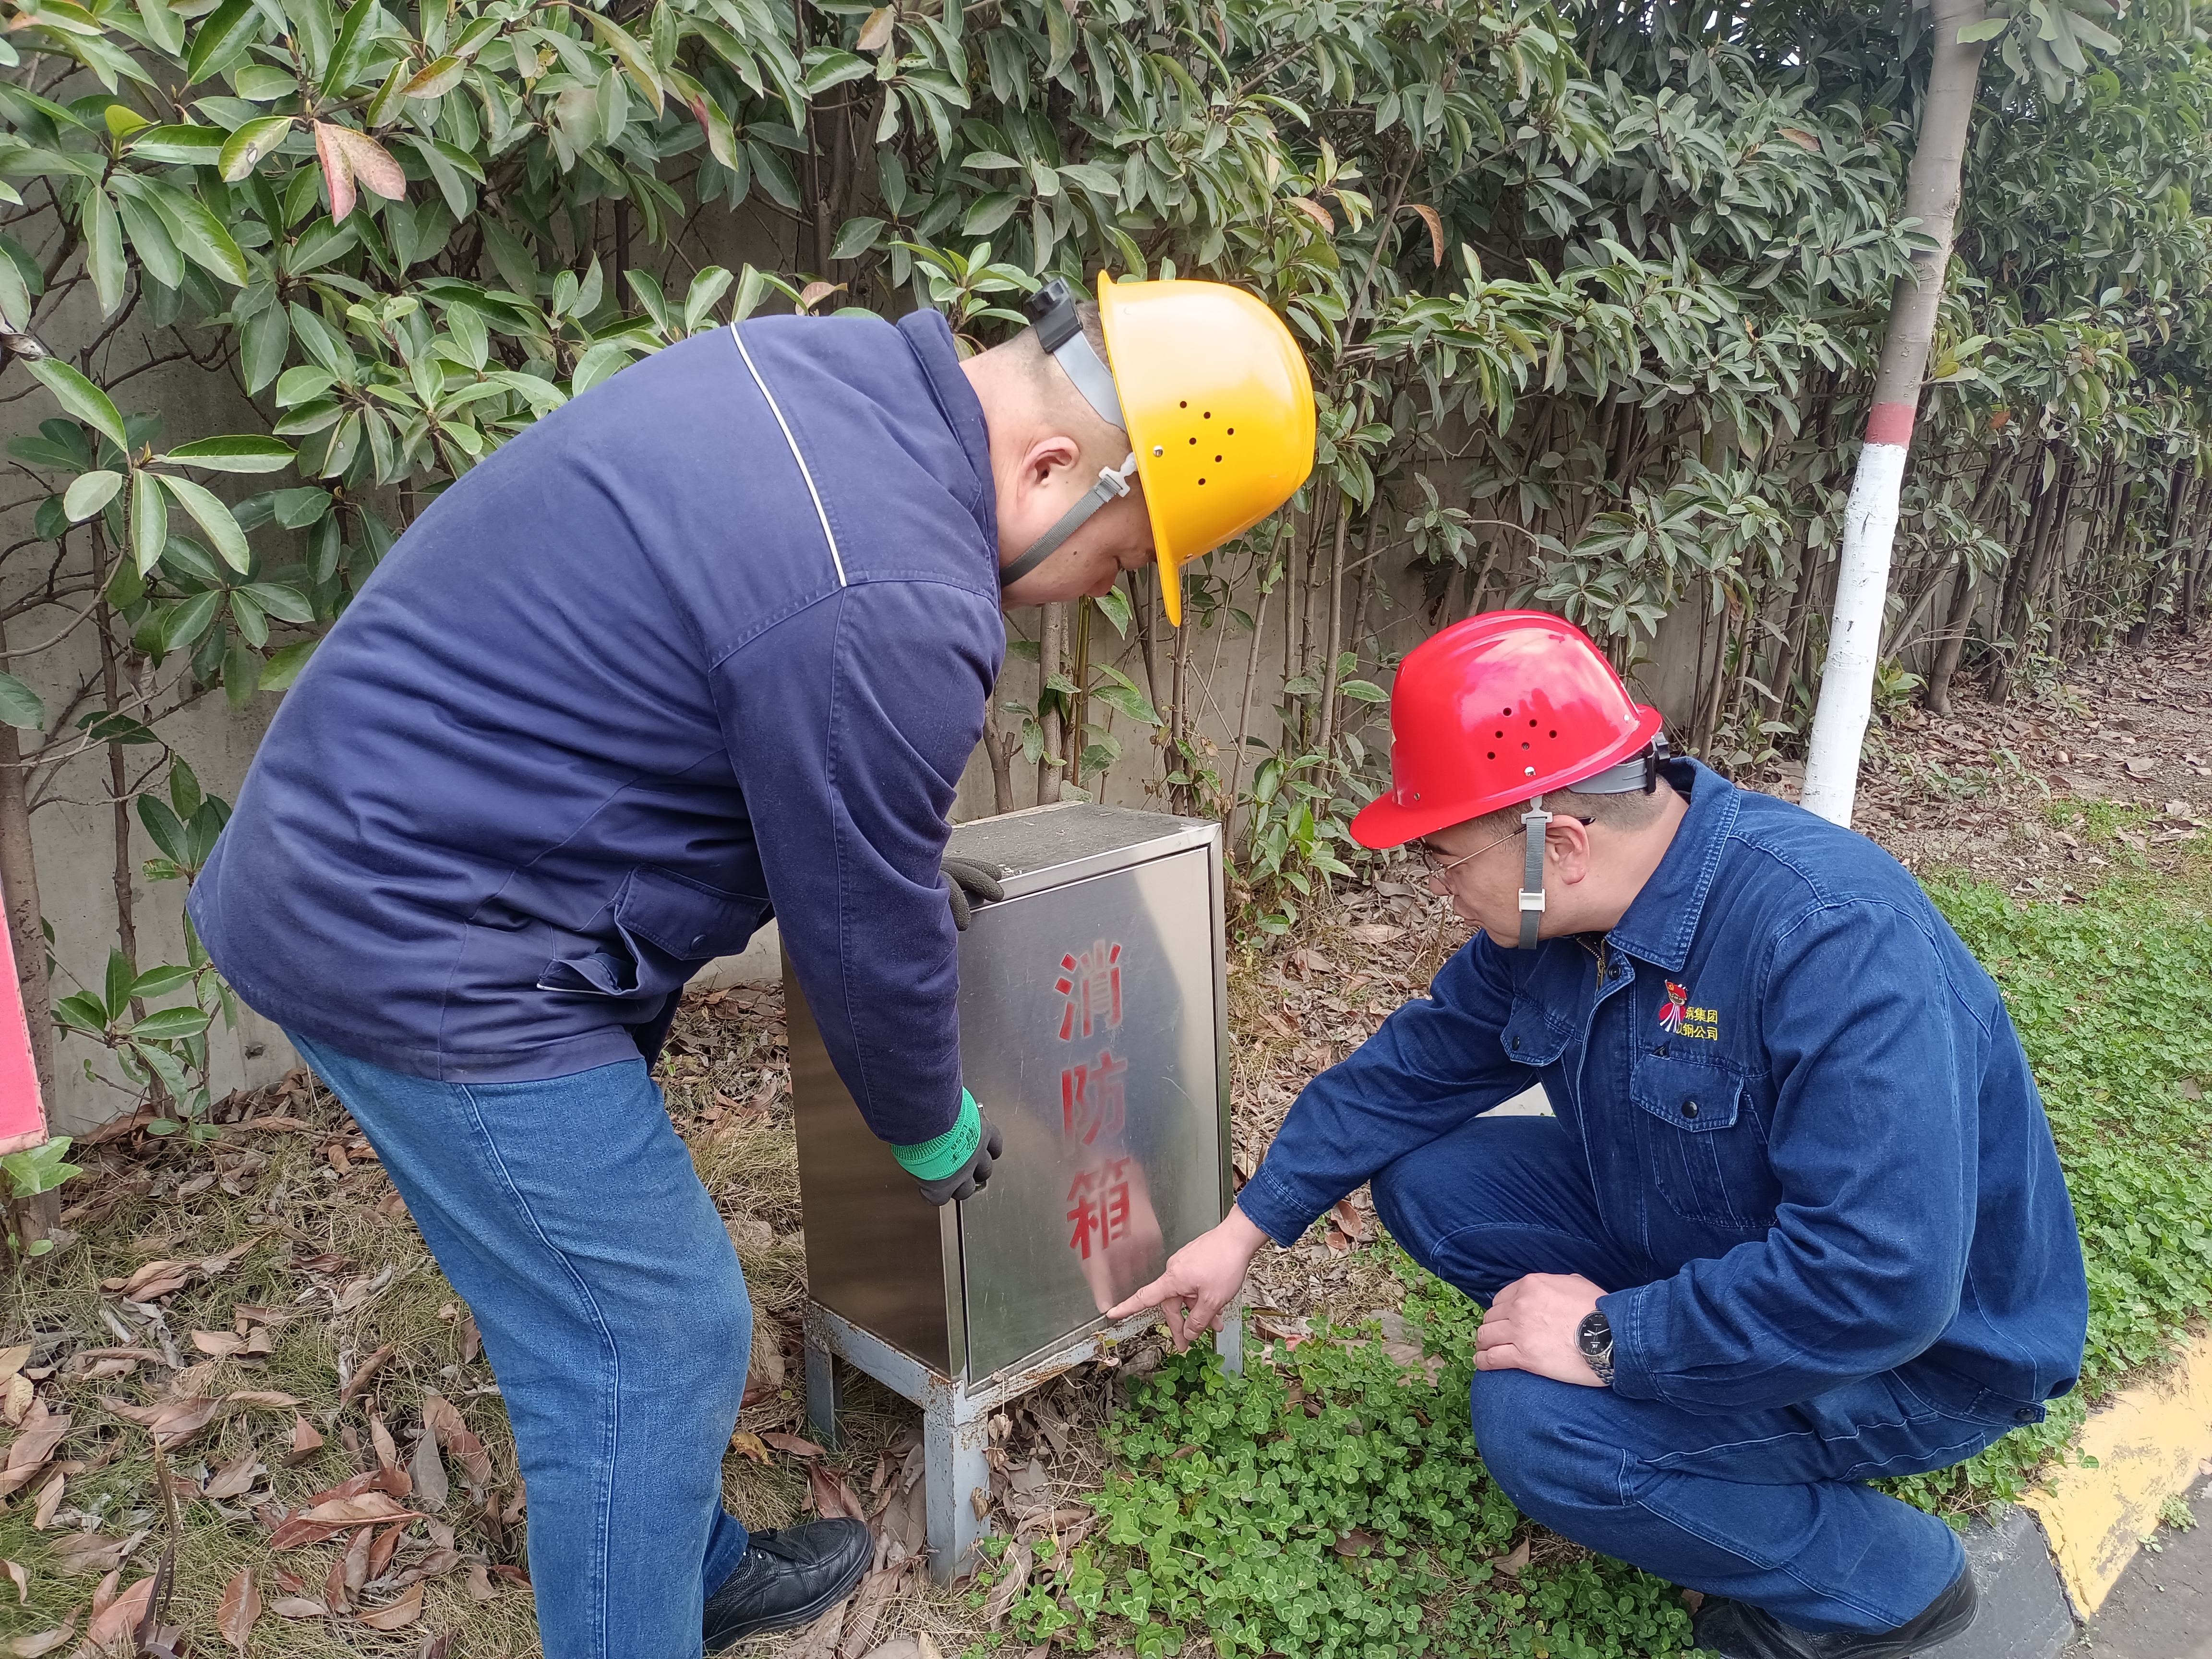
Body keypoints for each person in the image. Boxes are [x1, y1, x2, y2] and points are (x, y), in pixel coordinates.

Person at [189, 274, 1313, 1658]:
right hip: (426, 931)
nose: (1098, 596)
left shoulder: (830, 373)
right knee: (653, 1338)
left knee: (602, 1307)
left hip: (403, 853)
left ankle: (679, 1563)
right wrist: (931, 1124)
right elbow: (863, 918)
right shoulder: (896, 593)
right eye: (1124, 562)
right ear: (1051, 467)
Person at [1111, 610, 2089, 1659]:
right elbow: (1409, 1072)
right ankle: (1699, 1416)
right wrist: (1243, 1231)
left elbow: (1881, 1282)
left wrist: (1609, 1339)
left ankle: (1891, 1584)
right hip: (1727, 1233)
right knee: (1432, 1178)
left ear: (1557, 843)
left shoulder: (1829, 937)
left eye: (1444, 856)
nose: (1437, 885)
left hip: (1920, 1357)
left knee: (1541, 1434)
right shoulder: (1559, 918)